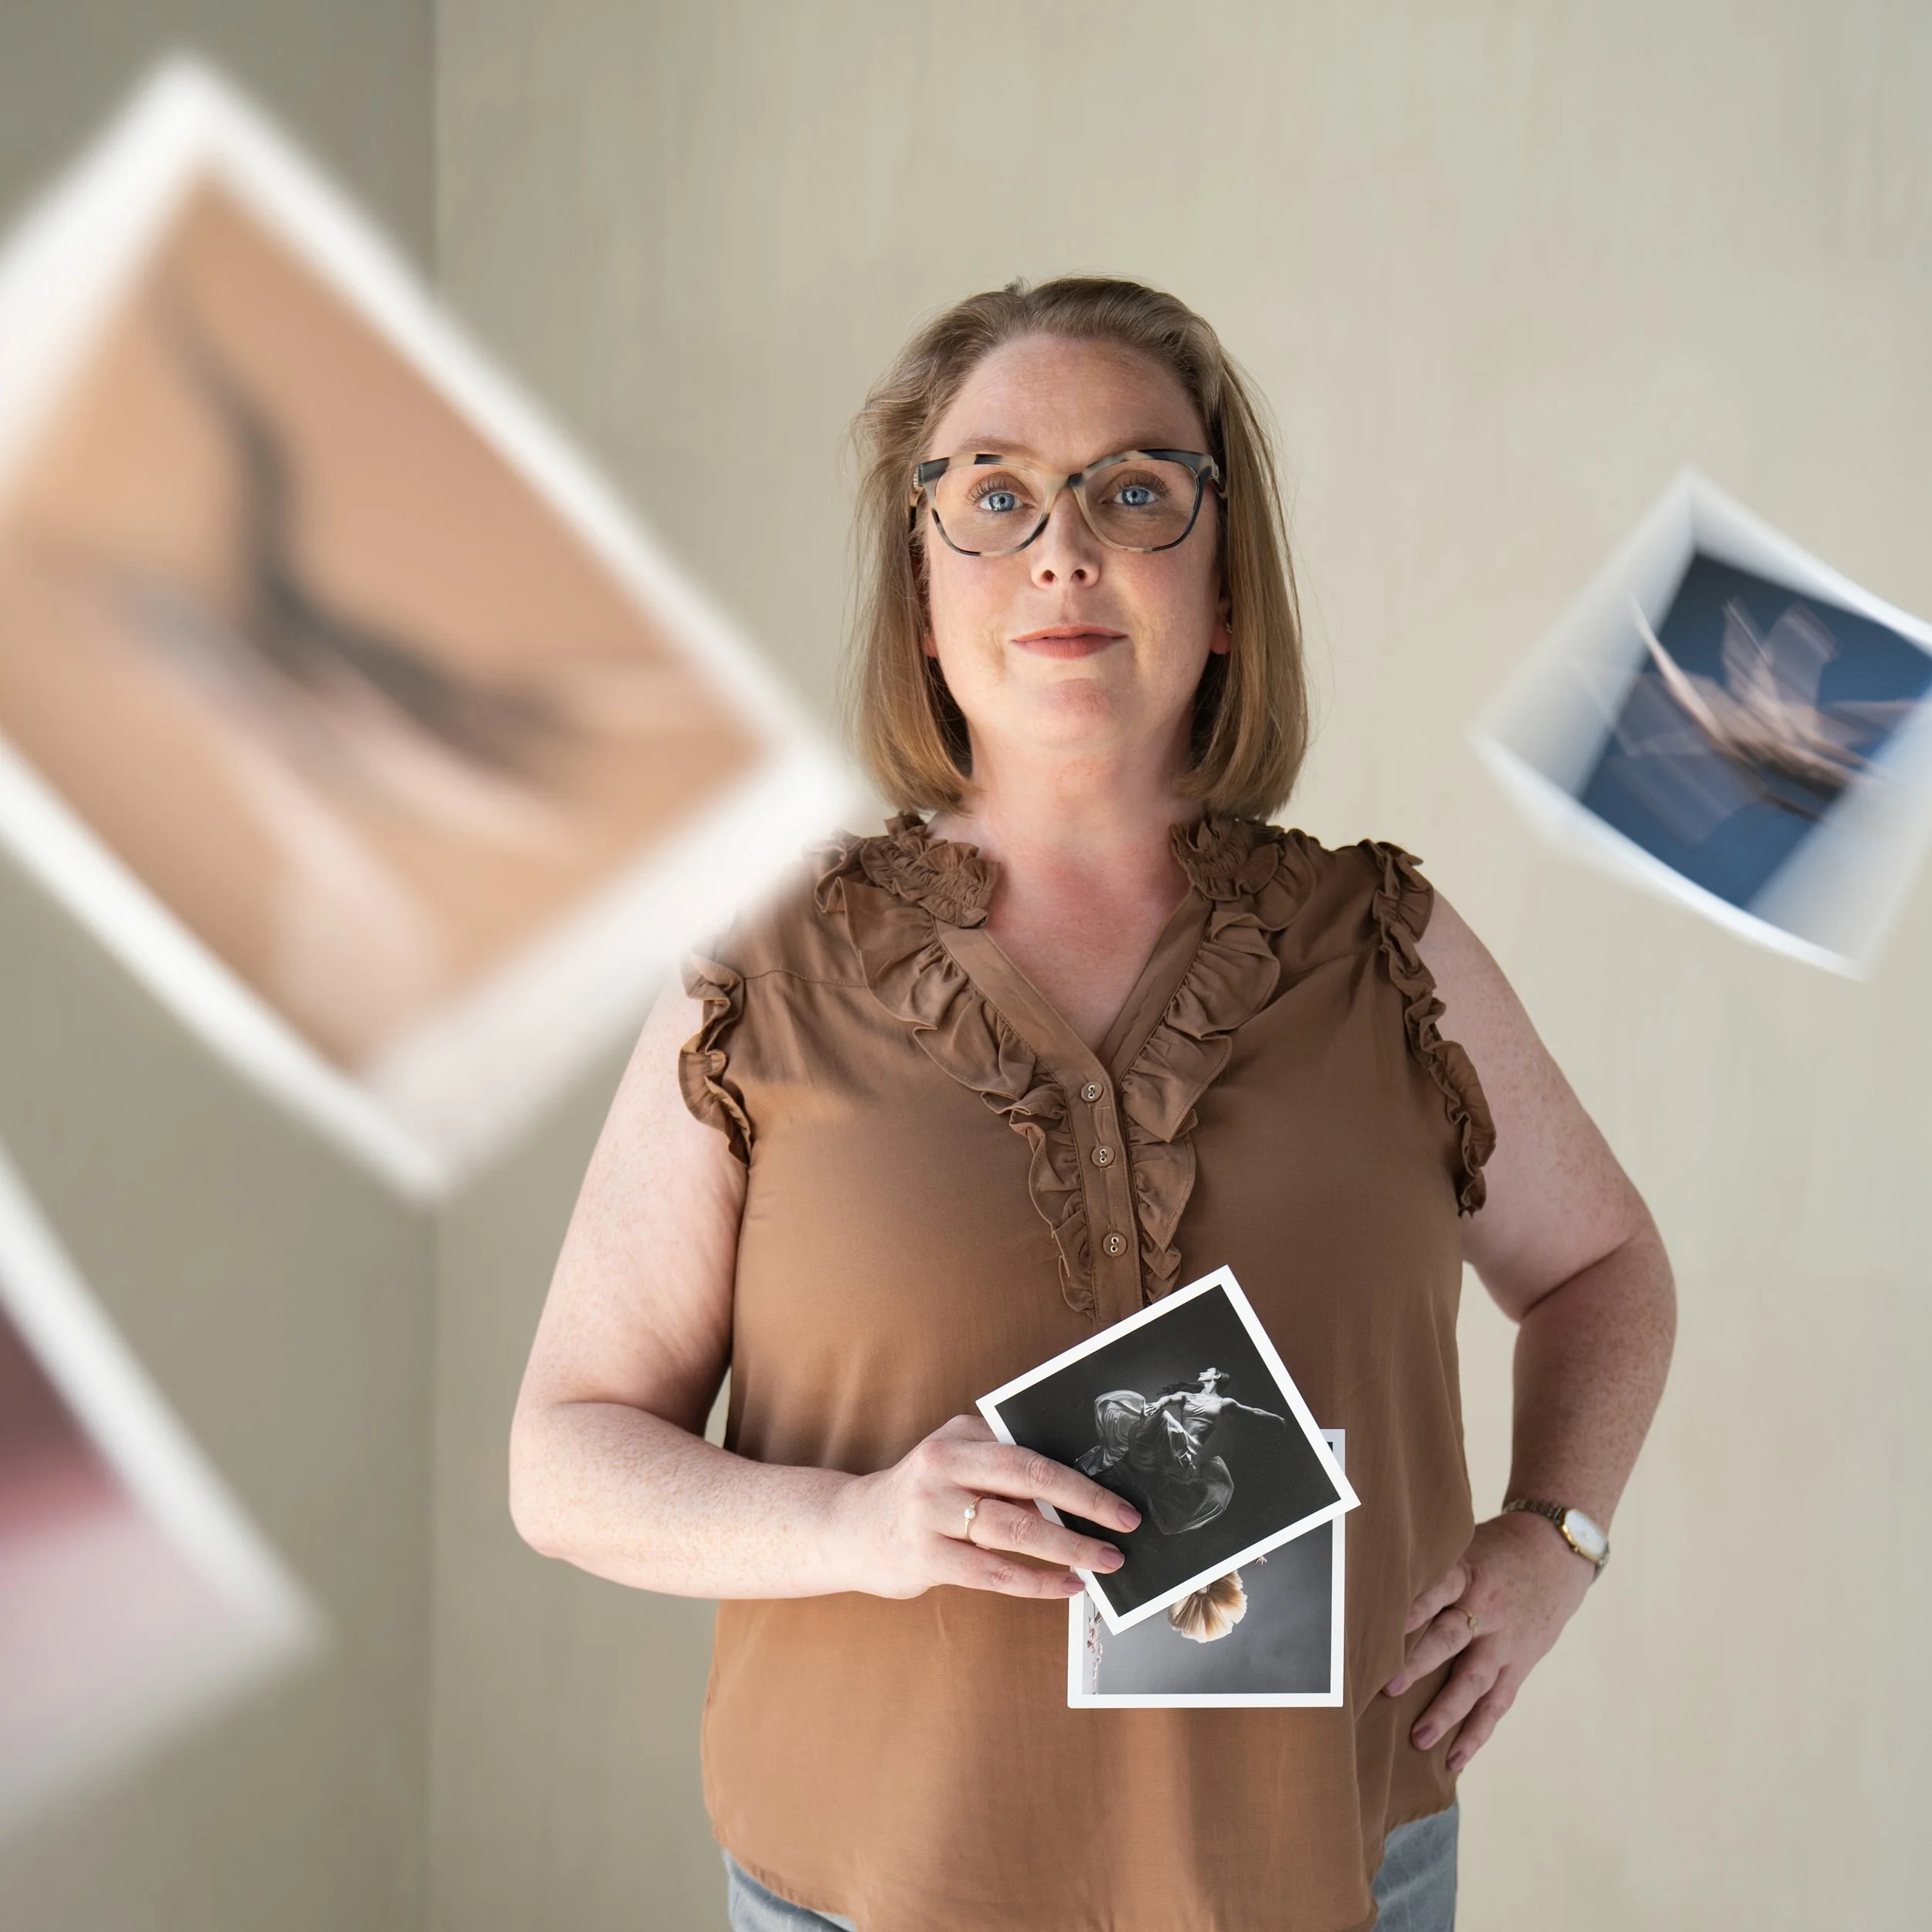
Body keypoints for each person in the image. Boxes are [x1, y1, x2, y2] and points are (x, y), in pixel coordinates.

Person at [509, 277, 1676, 1932]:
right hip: (860, 1892)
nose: (1061, 548)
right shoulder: (758, 978)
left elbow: (1602, 1265)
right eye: (991, 495)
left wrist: (1551, 1537)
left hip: (1336, 1878)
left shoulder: (1385, 949)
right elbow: (561, 1462)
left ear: (1219, 590)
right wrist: (854, 1522)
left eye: (1135, 491)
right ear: (923, 596)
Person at [1079, 1369, 1287, 1535]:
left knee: (1165, 1420)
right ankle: (1135, 1447)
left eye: (1208, 1371)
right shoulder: (1188, 1396)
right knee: (1152, 1413)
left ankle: (1148, 1449)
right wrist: (1157, 1404)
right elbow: (1169, 1400)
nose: (1203, 1371)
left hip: (1188, 1449)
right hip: (1174, 1441)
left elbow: (1252, 1412)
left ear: (1215, 1376)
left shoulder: (1224, 1403)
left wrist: (1277, 1419)